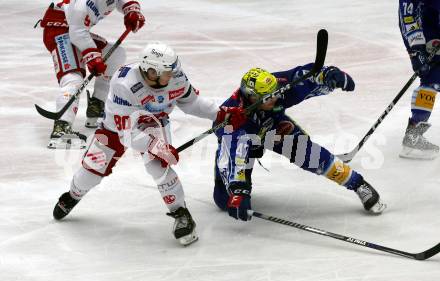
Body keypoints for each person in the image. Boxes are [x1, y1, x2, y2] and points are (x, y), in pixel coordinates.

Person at [52, 42, 242, 246]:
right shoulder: (124, 83)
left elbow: (191, 102)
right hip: (116, 128)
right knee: (91, 172)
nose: (173, 75)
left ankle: (180, 212)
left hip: (155, 124)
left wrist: (220, 113)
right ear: (152, 71)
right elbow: (127, 134)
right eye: (167, 72)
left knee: (159, 167)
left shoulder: (175, 76)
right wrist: (159, 147)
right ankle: (73, 195)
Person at [212, 66, 387, 221]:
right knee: (223, 200)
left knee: (309, 154)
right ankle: (228, 184)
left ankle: (358, 184)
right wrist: (239, 190)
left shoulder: (274, 87)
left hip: (273, 127)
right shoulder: (231, 118)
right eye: (268, 97)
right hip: (244, 142)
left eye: (276, 92)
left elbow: (301, 75)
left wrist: (328, 75)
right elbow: (234, 154)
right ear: (252, 97)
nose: (276, 97)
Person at [39, 0, 145, 149]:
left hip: (76, 29)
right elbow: (77, 33)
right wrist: (92, 57)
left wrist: (131, 11)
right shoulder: (81, 4)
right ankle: (61, 129)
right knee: (73, 78)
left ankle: (96, 107)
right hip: (60, 30)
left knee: (115, 55)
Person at [398, 0, 440, 159]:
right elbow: (408, 17)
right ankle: (413, 135)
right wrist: (416, 51)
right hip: (424, 29)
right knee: (433, 76)